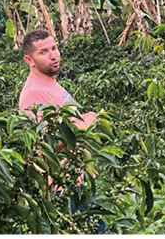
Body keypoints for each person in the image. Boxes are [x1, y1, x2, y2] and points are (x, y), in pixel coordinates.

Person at [19, 30, 108, 235]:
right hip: (64, 188)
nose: (53, 55)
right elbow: (44, 145)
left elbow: (64, 124)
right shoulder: (34, 93)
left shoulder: (51, 84)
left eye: (54, 48)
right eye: (43, 52)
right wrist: (83, 126)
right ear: (29, 60)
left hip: (77, 180)